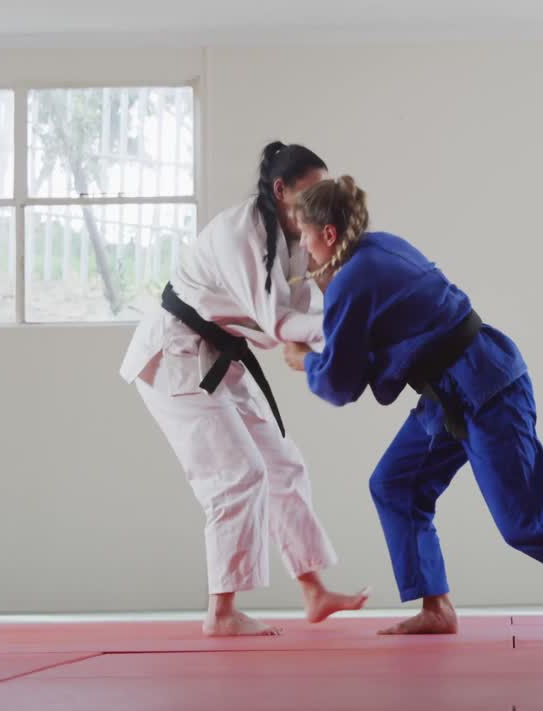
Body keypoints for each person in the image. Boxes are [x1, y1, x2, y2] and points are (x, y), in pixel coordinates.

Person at [282, 176, 543, 637]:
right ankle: (437, 608)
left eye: (305, 237)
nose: (303, 250)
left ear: (328, 234)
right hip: (450, 393)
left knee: (524, 522)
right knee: (396, 485)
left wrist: (306, 361)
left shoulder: (352, 278)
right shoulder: (380, 248)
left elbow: (340, 384)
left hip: (488, 388)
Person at [120, 143, 368, 637]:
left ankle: (313, 591)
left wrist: (356, 309)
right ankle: (221, 612)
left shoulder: (295, 236)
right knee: (237, 475)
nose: (317, 199)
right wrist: (342, 327)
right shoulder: (242, 233)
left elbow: (313, 298)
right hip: (175, 357)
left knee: (283, 464)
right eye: (310, 190)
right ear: (281, 190)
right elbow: (277, 323)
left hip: (219, 357)